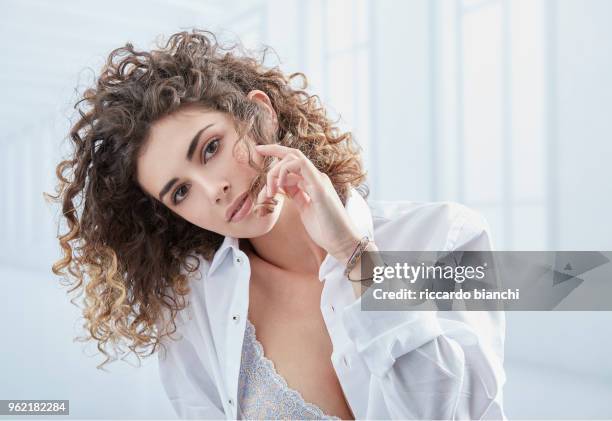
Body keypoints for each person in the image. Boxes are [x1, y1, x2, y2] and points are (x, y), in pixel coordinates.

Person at [49, 29, 506, 420]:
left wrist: (352, 252)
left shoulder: (446, 236)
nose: (213, 190)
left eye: (210, 149)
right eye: (181, 192)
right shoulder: (194, 303)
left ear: (262, 115)